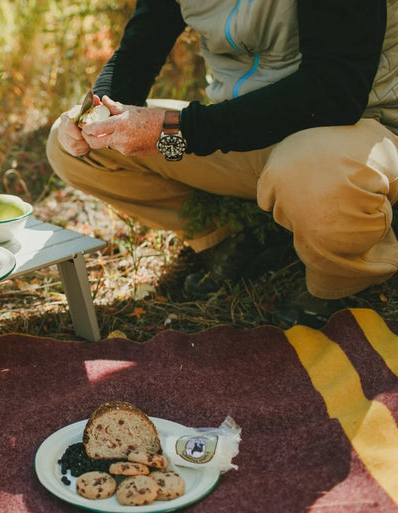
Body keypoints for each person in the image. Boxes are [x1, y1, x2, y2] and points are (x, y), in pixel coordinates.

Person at [46, 0, 398, 326]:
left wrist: (175, 130)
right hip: (243, 130)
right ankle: (236, 237)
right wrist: (93, 116)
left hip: (362, 130)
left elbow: (334, 92)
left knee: (313, 171)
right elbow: (137, 54)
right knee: (77, 150)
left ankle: (341, 282)